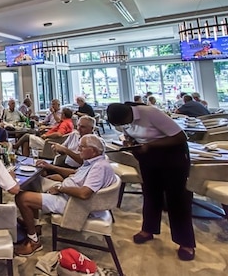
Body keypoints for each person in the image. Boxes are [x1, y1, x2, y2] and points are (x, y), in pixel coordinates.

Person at [107, 102, 196, 261]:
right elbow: (129, 134)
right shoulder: (125, 120)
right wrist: (130, 142)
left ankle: (185, 242)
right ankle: (148, 229)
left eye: (123, 123)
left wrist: (150, 145)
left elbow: (181, 136)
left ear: (128, 114)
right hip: (148, 157)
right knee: (150, 194)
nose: (124, 125)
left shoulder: (150, 113)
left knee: (176, 199)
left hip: (172, 156)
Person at [14, 134, 116, 257]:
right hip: (68, 194)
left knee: (22, 198)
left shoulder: (99, 168)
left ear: (93, 151)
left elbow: (84, 194)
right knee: (32, 182)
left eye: (82, 147)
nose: (78, 150)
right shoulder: (95, 161)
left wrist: (60, 188)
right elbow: (75, 173)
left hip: (75, 204)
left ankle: (34, 241)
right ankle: (34, 226)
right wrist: (50, 166)